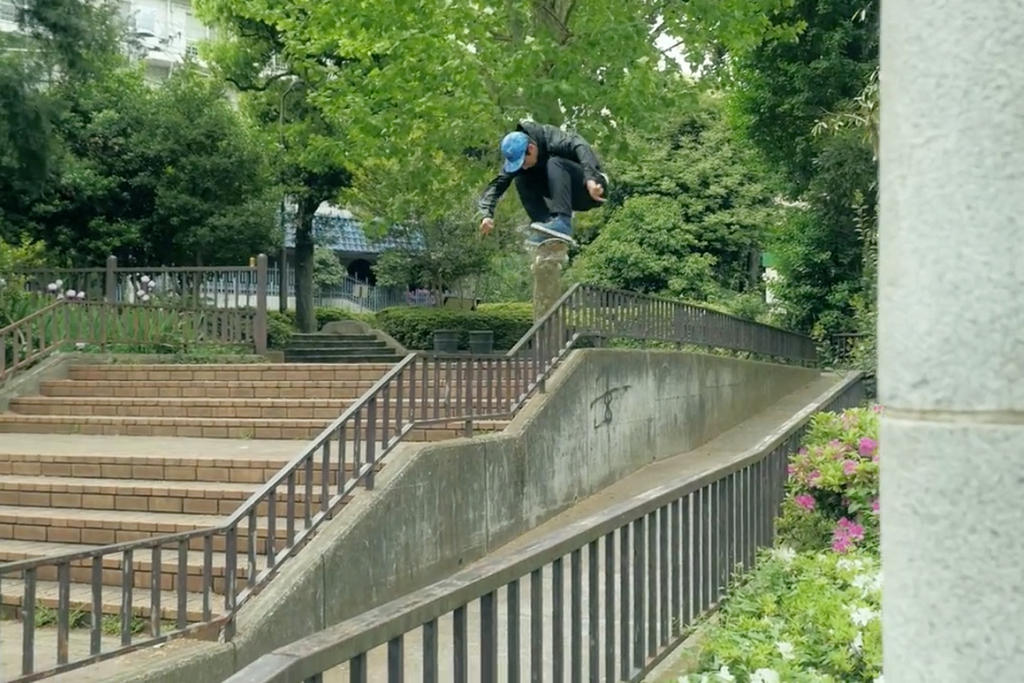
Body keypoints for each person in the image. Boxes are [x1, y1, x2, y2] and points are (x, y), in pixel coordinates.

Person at [478, 120, 609, 246]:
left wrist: (590, 178)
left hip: (592, 188)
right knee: (521, 177)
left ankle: (563, 222)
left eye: (523, 162)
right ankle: (546, 227)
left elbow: (580, 145)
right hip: (568, 196)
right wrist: (486, 215)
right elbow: (497, 185)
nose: (523, 166)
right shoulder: (523, 163)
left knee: (554, 162)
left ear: (531, 148)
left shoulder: (551, 138)